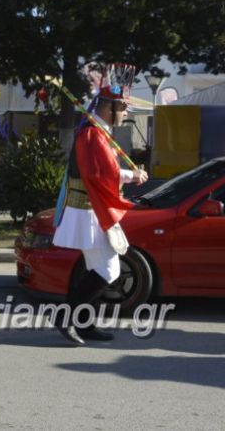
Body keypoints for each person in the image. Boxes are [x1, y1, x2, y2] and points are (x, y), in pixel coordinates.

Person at [52, 63, 148, 346]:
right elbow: (101, 174)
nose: (126, 112)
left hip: (91, 209)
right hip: (88, 211)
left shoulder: (97, 131)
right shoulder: (94, 134)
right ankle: (68, 318)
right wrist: (134, 175)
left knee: (99, 267)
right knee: (108, 270)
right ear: (109, 108)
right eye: (124, 107)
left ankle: (83, 323)